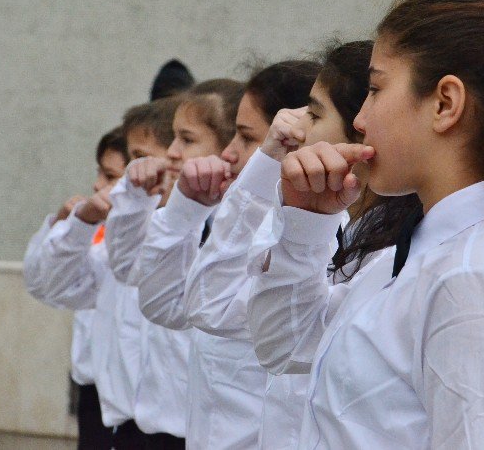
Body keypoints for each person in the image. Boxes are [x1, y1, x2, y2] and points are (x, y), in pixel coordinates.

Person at [247, 0, 484, 449]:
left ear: (445, 104)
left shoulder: (472, 278)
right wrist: (306, 224)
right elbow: (285, 346)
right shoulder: (425, 249)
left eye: (376, 89)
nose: (359, 118)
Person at [179, 42, 418, 449]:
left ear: (361, 130)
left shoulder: (393, 257)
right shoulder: (329, 231)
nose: (293, 126)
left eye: (314, 113)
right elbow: (210, 306)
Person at [133, 63, 320, 449]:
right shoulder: (240, 222)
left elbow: (205, 307)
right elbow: (163, 305)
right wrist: (186, 210)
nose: (230, 153)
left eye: (246, 137)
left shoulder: (308, 239)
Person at [104, 81, 243, 449]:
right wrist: (134, 199)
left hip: (204, 429)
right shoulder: (178, 214)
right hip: (152, 422)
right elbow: (129, 271)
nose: (172, 153)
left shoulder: (241, 227)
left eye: (187, 139)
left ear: (231, 147)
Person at [23, 126, 128, 450]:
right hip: (93, 384)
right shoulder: (98, 228)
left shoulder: (135, 239)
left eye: (109, 175)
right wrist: (66, 225)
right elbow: (43, 284)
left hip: (126, 399)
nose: (97, 184)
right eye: (99, 172)